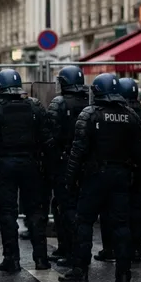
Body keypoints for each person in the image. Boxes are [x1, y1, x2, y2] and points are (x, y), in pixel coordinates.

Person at [59, 73, 141, 282]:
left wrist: (70, 180)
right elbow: (140, 154)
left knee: (84, 222)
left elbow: (77, 152)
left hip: (95, 177)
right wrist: (136, 181)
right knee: (121, 225)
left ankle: (80, 271)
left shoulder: (89, 114)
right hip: (121, 176)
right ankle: (123, 275)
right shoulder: (131, 116)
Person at [0, 69, 52, 273]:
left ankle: (12, 258)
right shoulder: (34, 106)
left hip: (4, 165)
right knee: (35, 212)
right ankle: (41, 259)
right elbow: (46, 139)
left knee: (7, 213)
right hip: (30, 164)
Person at [45, 66, 89, 266]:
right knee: (75, 207)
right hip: (86, 163)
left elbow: (51, 135)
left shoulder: (59, 103)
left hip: (64, 162)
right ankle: (71, 250)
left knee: (66, 207)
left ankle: (71, 252)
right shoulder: (90, 101)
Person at [117, 78, 141, 263]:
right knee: (137, 210)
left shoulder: (122, 114)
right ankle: (137, 250)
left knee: (120, 212)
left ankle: (121, 252)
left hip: (122, 168)